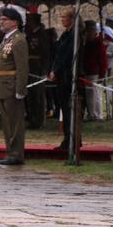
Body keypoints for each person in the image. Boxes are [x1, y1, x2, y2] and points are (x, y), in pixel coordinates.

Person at [0, 7, 29, 165]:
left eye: (5, 19)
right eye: (1, 19)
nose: (1, 22)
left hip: (11, 85)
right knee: (7, 122)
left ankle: (15, 154)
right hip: (3, 85)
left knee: (14, 123)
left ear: (14, 22)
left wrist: (20, 89)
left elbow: (22, 68)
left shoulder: (19, 39)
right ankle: (10, 151)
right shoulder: (7, 39)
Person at [48, 9, 83, 156]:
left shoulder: (75, 36)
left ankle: (72, 139)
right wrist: (53, 70)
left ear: (72, 19)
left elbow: (67, 56)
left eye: (64, 17)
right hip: (61, 77)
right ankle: (68, 138)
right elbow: (58, 54)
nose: (62, 20)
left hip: (69, 77)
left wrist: (56, 71)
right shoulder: (66, 35)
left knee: (70, 110)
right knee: (65, 110)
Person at [24, 9, 52, 129]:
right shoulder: (30, 34)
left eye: (29, 20)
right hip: (30, 68)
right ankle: (32, 119)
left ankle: (39, 121)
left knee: (38, 96)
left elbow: (46, 55)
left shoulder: (42, 35)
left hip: (38, 68)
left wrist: (44, 71)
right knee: (30, 96)